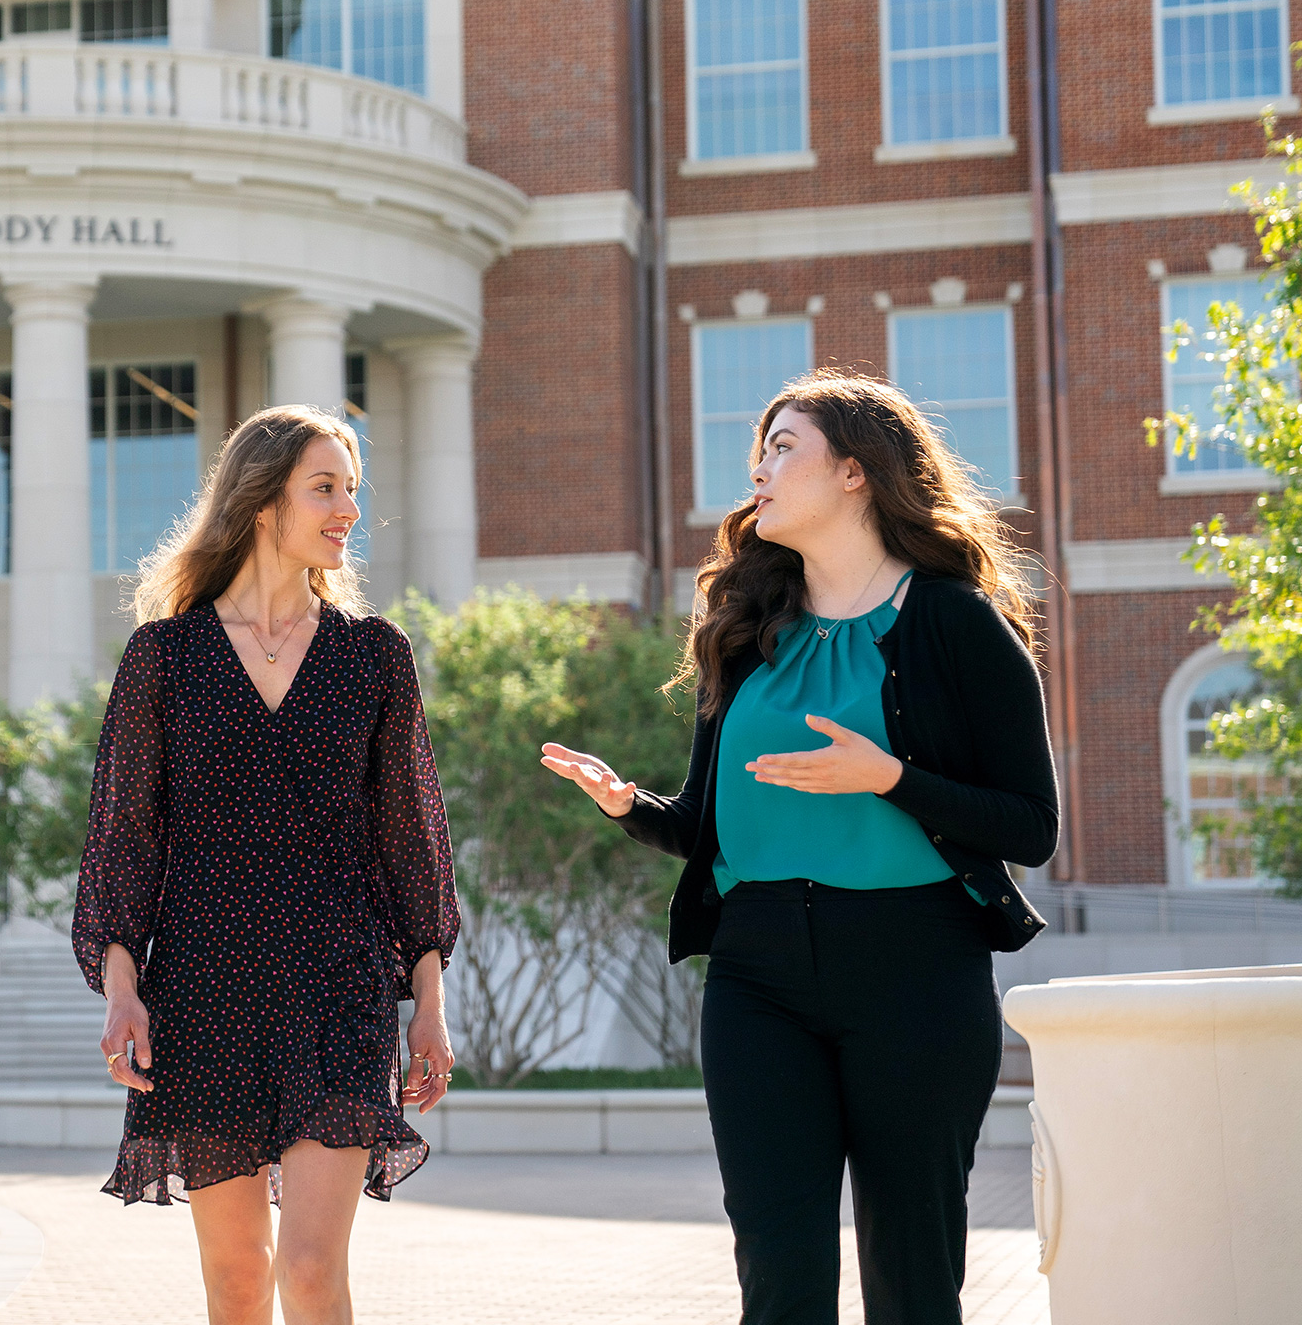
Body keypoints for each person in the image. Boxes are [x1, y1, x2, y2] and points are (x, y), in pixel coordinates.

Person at [542, 370, 1057, 1325]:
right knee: (778, 1275)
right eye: (759, 452)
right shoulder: (748, 632)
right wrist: (627, 806)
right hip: (758, 972)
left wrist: (891, 777)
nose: (760, 471)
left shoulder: (953, 621)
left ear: (857, 472)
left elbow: (1031, 824)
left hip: (916, 969)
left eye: (785, 448)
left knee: (913, 1275)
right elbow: (704, 825)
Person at [72, 405, 461, 1325]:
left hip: (337, 986)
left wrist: (432, 1004)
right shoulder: (163, 658)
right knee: (237, 1280)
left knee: (313, 1270)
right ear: (261, 501)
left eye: (353, 490)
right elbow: (125, 840)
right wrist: (121, 986)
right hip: (204, 989)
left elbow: (410, 842)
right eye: (325, 488)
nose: (348, 511)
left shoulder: (374, 655)